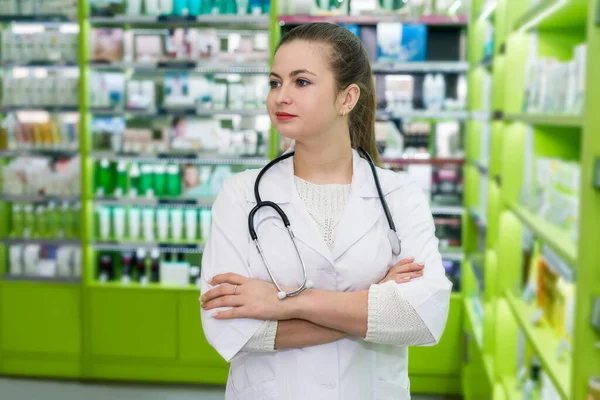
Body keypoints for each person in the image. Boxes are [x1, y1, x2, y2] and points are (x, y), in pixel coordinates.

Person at [199, 22, 452, 400]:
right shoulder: (240, 195)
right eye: (274, 82)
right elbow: (228, 327)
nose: (281, 96)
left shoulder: (400, 195)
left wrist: (286, 302)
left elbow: (421, 318)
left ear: (347, 98)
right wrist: (374, 299)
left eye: (301, 82)